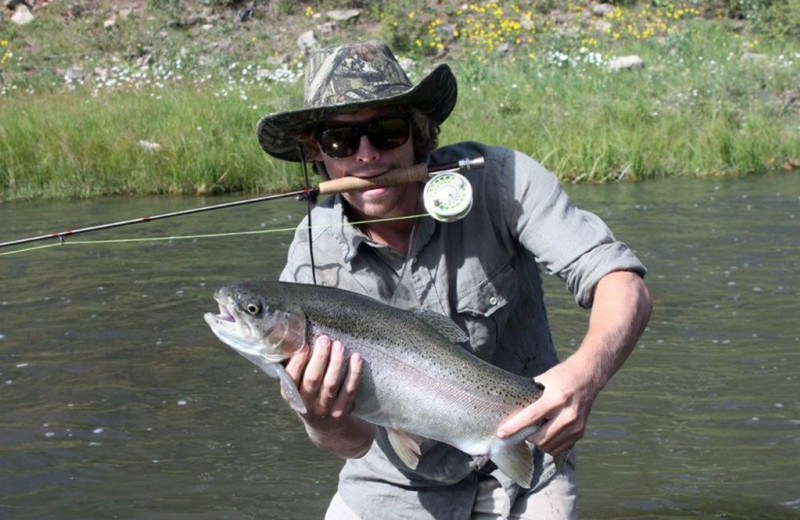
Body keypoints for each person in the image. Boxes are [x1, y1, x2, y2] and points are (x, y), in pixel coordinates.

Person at [256, 41, 652, 520]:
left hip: (525, 470)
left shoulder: (501, 181)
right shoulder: (310, 263)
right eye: (340, 142)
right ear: (318, 154)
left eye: (386, 131)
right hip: (392, 487)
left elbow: (621, 281)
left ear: (419, 133)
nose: (366, 156)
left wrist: (584, 378)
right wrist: (321, 416)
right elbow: (353, 444)